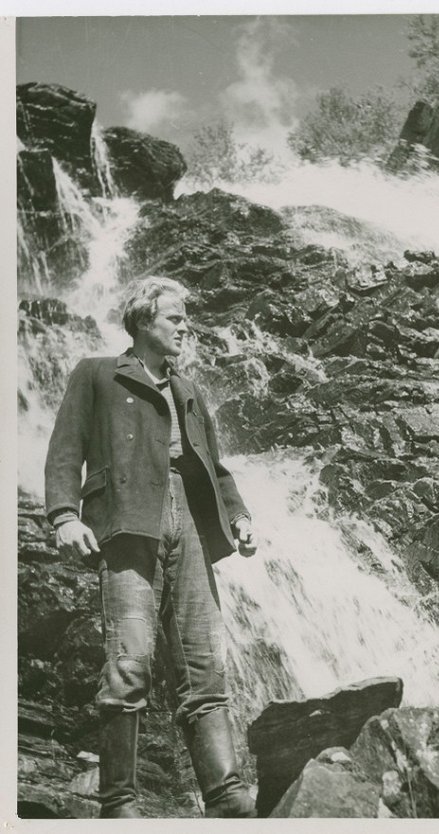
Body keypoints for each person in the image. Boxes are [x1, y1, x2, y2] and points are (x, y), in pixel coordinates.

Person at [44, 276, 258, 818]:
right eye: (176, 318)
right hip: (128, 521)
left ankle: (226, 795)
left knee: (204, 661)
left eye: (186, 319)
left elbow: (216, 466)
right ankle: (119, 803)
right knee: (130, 659)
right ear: (143, 322)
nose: (186, 327)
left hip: (189, 521)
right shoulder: (96, 373)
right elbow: (65, 447)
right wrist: (65, 515)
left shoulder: (188, 389)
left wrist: (239, 517)